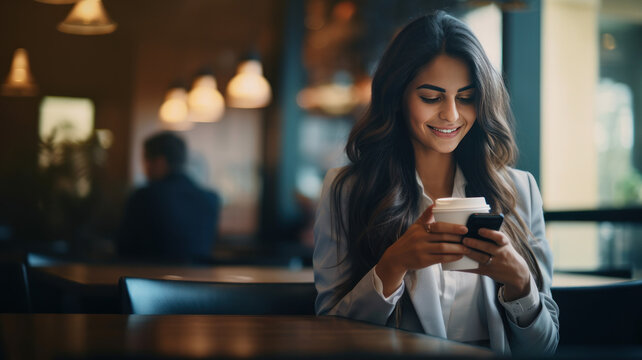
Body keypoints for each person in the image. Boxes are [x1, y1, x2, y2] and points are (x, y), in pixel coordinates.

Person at [313, 11, 559, 355]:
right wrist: (392, 266)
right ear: (397, 96)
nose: (452, 115)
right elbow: (330, 331)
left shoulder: (520, 191)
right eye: (431, 97)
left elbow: (544, 348)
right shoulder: (347, 189)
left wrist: (519, 284)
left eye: (466, 97)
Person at [118, 131, 221, 262]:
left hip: (149, 279)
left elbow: (124, 248)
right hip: (200, 280)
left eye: (146, 161)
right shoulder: (210, 199)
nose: (145, 169)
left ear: (160, 162)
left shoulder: (144, 197)